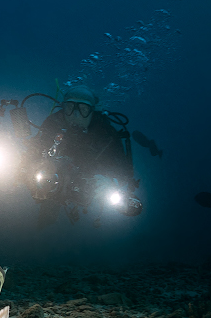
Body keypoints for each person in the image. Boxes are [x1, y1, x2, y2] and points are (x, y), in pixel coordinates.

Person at [16, 85, 142, 223]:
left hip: (84, 187)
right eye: (70, 108)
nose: (75, 115)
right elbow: (34, 151)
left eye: (83, 109)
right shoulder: (54, 122)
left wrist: (111, 182)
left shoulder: (107, 135)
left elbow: (124, 171)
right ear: (63, 108)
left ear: (92, 111)